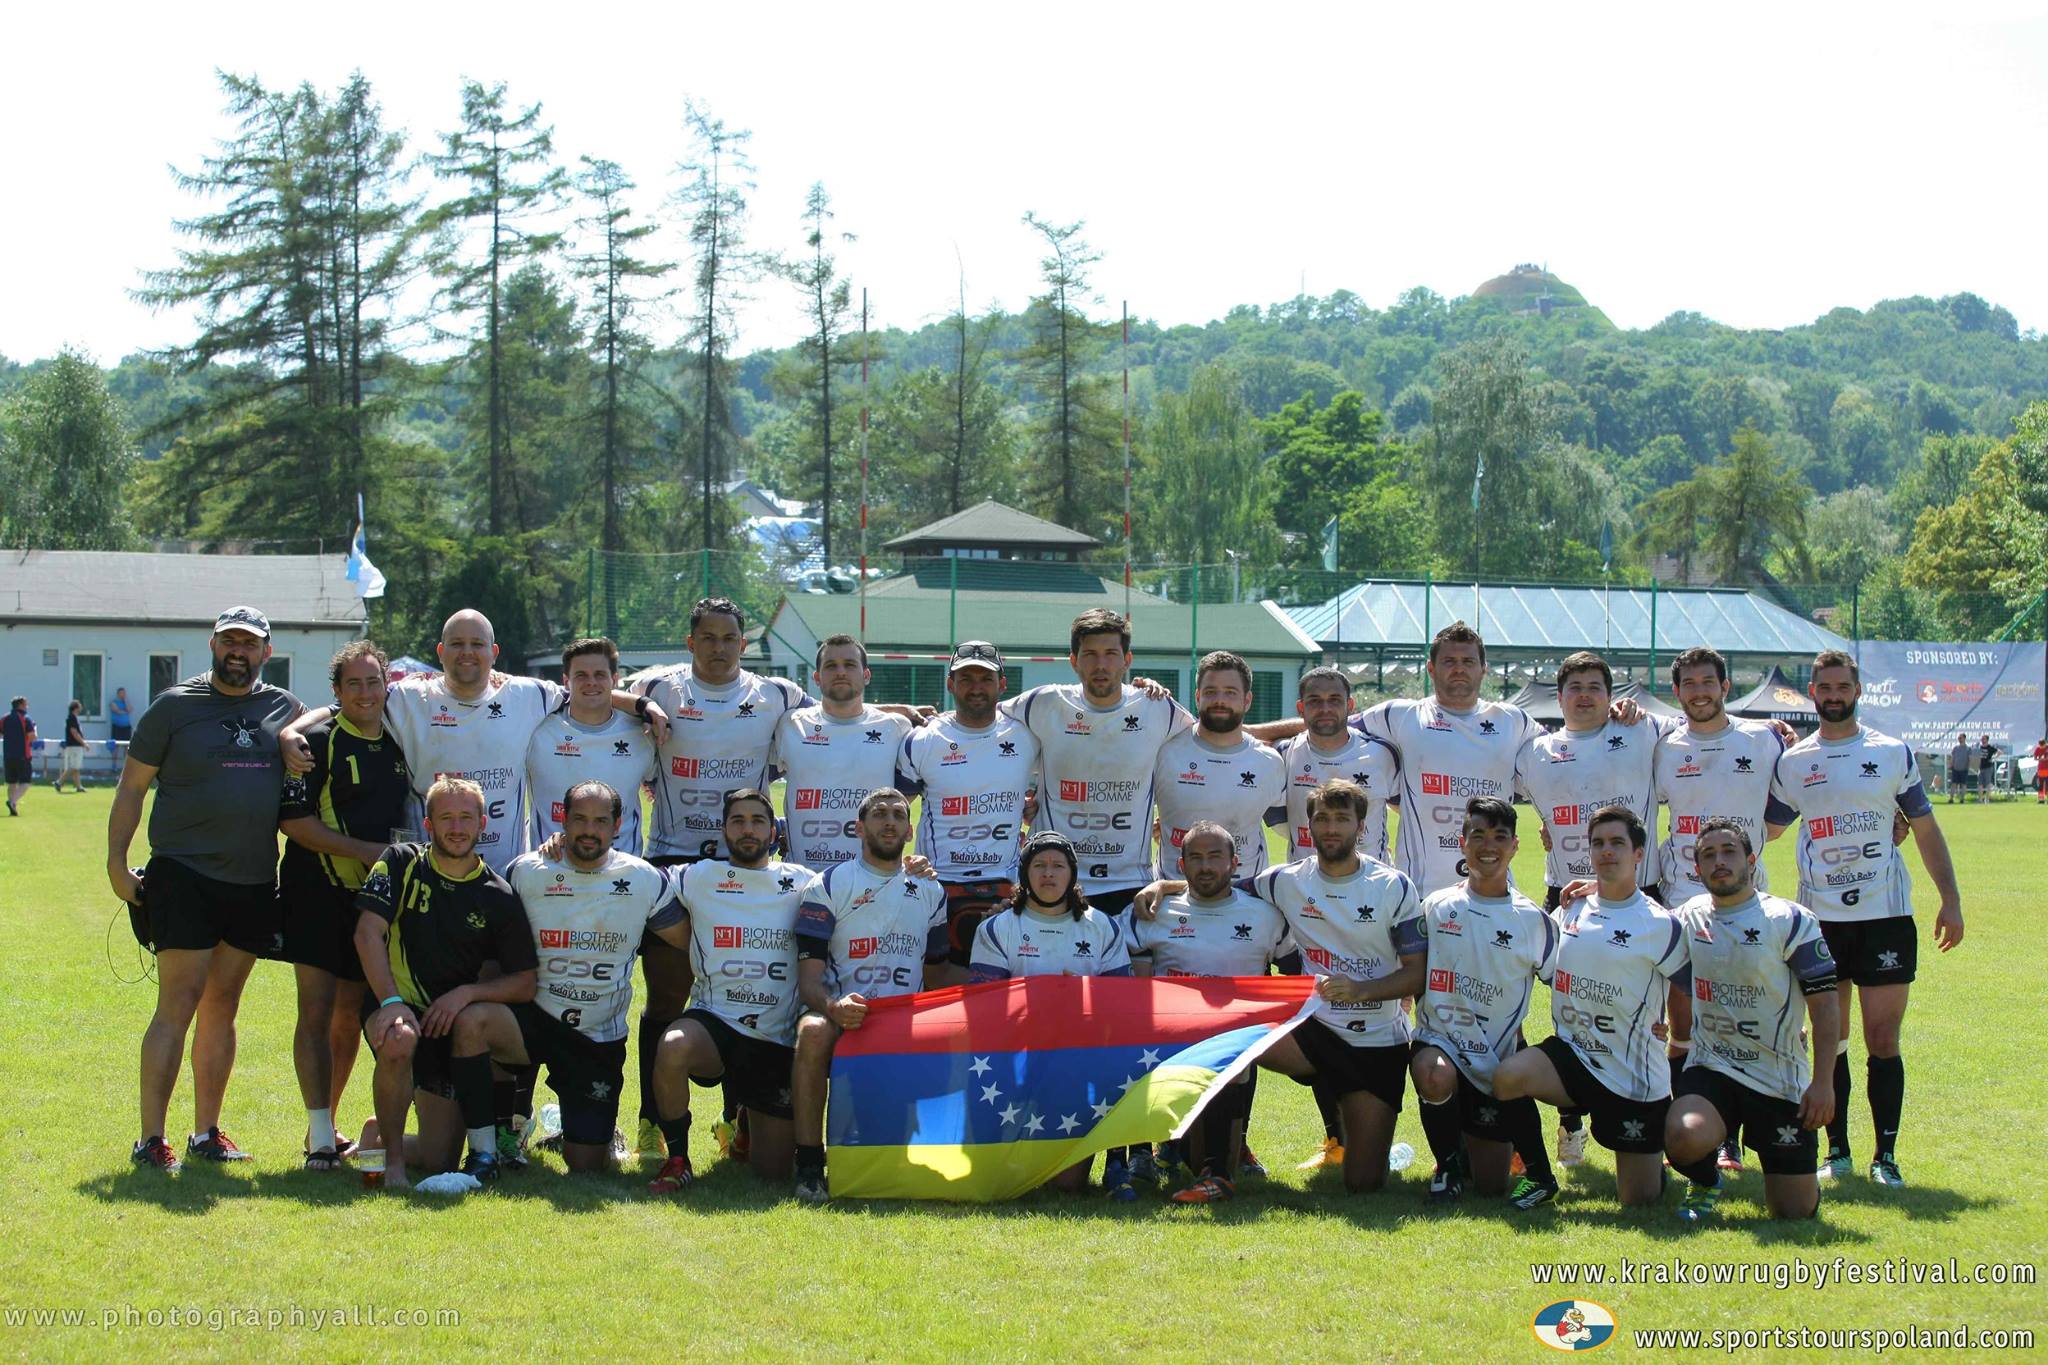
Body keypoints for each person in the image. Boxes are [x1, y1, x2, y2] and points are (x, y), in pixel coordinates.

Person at [1138, 778, 1425, 1195]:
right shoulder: (1286, 880)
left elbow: (1417, 973)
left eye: (1342, 819)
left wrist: (1361, 990)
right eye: (1321, 819)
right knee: (1230, 1035)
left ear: (1361, 827)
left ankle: (1373, 1144)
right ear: (1306, 827)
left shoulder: (1393, 886)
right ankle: (1217, 1170)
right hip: (1310, 1029)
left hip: (1377, 1041)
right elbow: (1216, 883)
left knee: (1364, 1183)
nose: (1330, 829)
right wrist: (1163, 885)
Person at [109, 607, 303, 1172]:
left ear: (266, 652)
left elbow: (324, 712)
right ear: (213, 645)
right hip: (183, 876)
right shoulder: (173, 707)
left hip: (251, 882)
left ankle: (206, 1132)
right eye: (229, 641)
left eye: (249, 643)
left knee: (223, 1008)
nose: (237, 651)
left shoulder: (282, 708)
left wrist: (293, 732)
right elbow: (130, 789)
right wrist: (116, 866)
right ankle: (150, 1138)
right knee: (179, 1003)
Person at [1766, 649, 1962, 1187]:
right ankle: (1838, 1151)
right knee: (1832, 1037)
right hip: (1821, 920)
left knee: (1882, 1037)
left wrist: (1951, 898)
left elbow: (1923, 827)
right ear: (1812, 691)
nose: (1833, 695)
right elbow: (1767, 829)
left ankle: (1886, 1156)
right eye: (1824, 687)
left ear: (1857, 690)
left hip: (1885, 915)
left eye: (1842, 686)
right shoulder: (1793, 762)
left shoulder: (1891, 751)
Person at [627, 597, 808, 1156]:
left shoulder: (776, 694)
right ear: (690, 642)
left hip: (747, 861)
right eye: (707, 637)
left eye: (728, 638)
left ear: (743, 644)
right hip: (674, 859)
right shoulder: (658, 687)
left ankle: (737, 1122)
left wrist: (900, 710)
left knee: (743, 986)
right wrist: (633, 703)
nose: (718, 647)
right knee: (665, 996)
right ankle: (653, 1126)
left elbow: (837, 713)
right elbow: (586, 691)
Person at [447, 781, 685, 1180]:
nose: (588, 831)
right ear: (562, 820)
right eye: (579, 819)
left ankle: (581, 1129)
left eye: (599, 821)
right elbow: (487, 940)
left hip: (596, 1037)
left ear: (618, 826)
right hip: (533, 1019)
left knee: (586, 1166)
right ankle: (487, 1151)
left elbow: (688, 940)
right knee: (473, 1023)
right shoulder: (526, 871)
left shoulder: (643, 879)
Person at [1494, 807, 1690, 1208]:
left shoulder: (1659, 923)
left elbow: (1687, 986)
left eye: (1618, 843)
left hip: (1631, 1075)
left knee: (1639, 1202)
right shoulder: (1570, 908)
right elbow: (1530, 958)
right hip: (1575, 1056)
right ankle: (1540, 1178)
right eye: (1598, 843)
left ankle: (1657, 1169)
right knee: (1508, 1077)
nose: (1607, 852)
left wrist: (1675, 1032)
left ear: (1638, 853)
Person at [1652, 644, 1797, 1175]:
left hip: (1745, 904)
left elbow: (1784, 809)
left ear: (1725, 686)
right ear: (1677, 692)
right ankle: (1695, 1123)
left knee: (1742, 1009)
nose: (1699, 692)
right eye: (1689, 684)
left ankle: (1734, 1137)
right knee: (1684, 1015)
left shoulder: (1763, 740)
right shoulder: (1664, 747)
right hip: (1681, 901)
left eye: (1707, 682)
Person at [351, 777, 538, 1189]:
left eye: (466, 817)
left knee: (440, 1158)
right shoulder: (401, 861)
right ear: (428, 823)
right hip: (394, 1006)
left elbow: (525, 983)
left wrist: (467, 994)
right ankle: (394, 1166)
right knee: (399, 1038)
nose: (457, 828)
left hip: (448, 1027)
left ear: (482, 823)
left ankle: (379, 1135)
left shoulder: (498, 894)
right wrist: (392, 1002)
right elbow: (367, 934)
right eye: (446, 817)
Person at [1664, 819, 1841, 1223]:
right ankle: (1705, 1179)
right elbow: (1640, 925)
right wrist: (1595, 892)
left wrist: (1824, 1081)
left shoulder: (1789, 920)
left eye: (1728, 851)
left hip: (1778, 1078)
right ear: (1697, 867)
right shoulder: (1688, 917)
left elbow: (1826, 1003)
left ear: (1750, 859)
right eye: (1707, 855)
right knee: (1682, 1134)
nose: (1719, 861)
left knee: (1792, 1212)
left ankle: (1795, 1175)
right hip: (1714, 1067)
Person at [277, 640, 409, 1169]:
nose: (364, 692)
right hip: (315, 893)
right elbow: (293, 823)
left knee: (350, 1012)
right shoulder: (315, 742)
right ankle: (318, 1135)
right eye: (352, 683)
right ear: (336, 692)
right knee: (315, 1009)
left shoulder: (400, 740)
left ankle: (326, 1128)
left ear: (386, 685)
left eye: (372, 682)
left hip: (372, 904)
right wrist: (368, 852)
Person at [647, 789, 815, 1192]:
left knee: (772, 1173)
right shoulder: (698, 875)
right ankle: (677, 1159)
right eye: (737, 820)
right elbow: (638, 883)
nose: (748, 829)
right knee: (672, 1045)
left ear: (773, 830)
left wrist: (913, 870)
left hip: (775, 1036)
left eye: (757, 820)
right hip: (714, 1022)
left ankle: (744, 1121)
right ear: (724, 830)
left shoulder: (804, 882)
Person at [789, 789, 948, 1203]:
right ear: (859, 827)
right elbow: (809, 981)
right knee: (812, 1031)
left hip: (901, 1022)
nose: (890, 822)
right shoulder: (827, 884)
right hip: (843, 1016)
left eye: (898, 815)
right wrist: (832, 1007)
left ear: (911, 831)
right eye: (879, 814)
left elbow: (936, 975)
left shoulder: (932, 890)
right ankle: (809, 1164)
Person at [1124, 822, 1295, 1204]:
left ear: (1235, 863)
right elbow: (1124, 982)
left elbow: (1298, 972)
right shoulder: (1154, 911)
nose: (1205, 867)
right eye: (1195, 858)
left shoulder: (1265, 915)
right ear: (1180, 866)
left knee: (1242, 1053)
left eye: (1215, 857)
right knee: (1194, 1154)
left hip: (1239, 1044)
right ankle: (1175, 1151)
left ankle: (1220, 1173)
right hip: (1172, 1044)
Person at [1407, 798, 1563, 1211]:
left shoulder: (1533, 920)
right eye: (1478, 835)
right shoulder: (1436, 908)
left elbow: (1566, 984)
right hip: (1441, 1044)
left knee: (1492, 1185)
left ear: (1514, 847)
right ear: (1462, 843)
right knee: (1432, 1074)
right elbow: (1411, 970)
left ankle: (1501, 1158)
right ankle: (1447, 1166)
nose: (1487, 846)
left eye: (1499, 837)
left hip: (1496, 1062)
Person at [1275, 665, 1399, 1173]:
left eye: (1335, 699)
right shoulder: (1283, 757)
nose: (1325, 708)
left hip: (1372, 908)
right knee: (1315, 1019)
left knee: (1373, 1016)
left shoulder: (1383, 753)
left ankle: (1374, 1129)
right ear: (1300, 709)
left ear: (1352, 705)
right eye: (1314, 700)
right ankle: (1335, 1137)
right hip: (1305, 907)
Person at [966, 830, 1134, 1195]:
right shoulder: (997, 928)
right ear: (1024, 874)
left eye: (1058, 865)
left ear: (1072, 874)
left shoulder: (1102, 926)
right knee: (1015, 1183)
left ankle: (1117, 1163)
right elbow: (983, 1006)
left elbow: (1122, 1004)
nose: (1048, 874)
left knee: (1068, 1186)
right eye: (1039, 865)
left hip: (1078, 1058)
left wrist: (1082, 1000)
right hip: (1019, 1057)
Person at [999, 609, 1195, 918]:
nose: (1101, 664)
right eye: (1090, 654)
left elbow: (1212, 739)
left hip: (1129, 882)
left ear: (1127, 660)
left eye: (1110, 654)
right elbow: (979, 729)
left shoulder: (1157, 708)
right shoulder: (1044, 703)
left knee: (1126, 967)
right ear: (1074, 661)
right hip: (1053, 880)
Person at [897, 641, 1038, 988]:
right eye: (966, 678)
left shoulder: (1027, 736)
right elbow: (896, 811)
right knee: (940, 989)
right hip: (938, 885)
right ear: (950, 684)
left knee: (1005, 988)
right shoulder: (922, 740)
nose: (976, 687)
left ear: (1002, 685)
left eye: (985, 679)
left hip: (1006, 887)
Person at [1514, 651, 1662, 908]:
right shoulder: (1533, 753)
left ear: (1610, 697)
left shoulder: (1641, 729)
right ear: (1560, 698)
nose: (1585, 695)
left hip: (1638, 895)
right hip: (1565, 897)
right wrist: (1548, 821)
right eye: (1575, 688)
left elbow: (1696, 732)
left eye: (1594, 687)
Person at [773, 635, 916, 869]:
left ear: (866, 675)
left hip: (871, 878)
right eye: (831, 666)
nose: (841, 672)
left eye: (850, 665)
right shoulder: (790, 725)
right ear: (817, 678)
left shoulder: (896, 728)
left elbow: (910, 790)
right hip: (803, 878)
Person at [1151, 650, 1287, 880]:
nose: (1220, 700)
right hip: (1173, 895)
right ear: (1197, 697)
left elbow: (1290, 824)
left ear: (1247, 700)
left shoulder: (1270, 762)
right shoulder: (1164, 752)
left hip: (1245, 895)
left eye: (1230, 693)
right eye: (1211, 692)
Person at [525, 637, 656, 856]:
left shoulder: (642, 734)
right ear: (566, 681)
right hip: (550, 872)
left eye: (600, 675)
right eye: (581, 675)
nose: (591, 682)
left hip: (621, 877)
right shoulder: (537, 731)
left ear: (614, 680)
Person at [2, 695, 36, 816]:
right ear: (21, 705)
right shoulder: (26, 718)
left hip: (8, 755)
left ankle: (13, 809)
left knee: (11, 783)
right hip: (22, 755)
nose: (27, 706)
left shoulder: (5, 718)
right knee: (25, 782)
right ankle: (12, 802)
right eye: (26, 704)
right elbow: (32, 737)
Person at [56, 700, 88, 792]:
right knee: (75, 766)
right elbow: (74, 733)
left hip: (72, 745)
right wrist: (84, 743)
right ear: (76, 708)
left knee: (76, 767)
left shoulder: (72, 718)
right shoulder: (72, 718)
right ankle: (59, 782)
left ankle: (79, 786)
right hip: (75, 745)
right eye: (79, 706)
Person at [1947, 735, 1971, 804]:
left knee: (1963, 784)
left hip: (1964, 769)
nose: (1960, 739)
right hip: (1955, 769)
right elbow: (1953, 757)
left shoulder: (1968, 748)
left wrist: (1968, 767)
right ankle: (1951, 799)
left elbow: (1970, 759)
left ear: (1964, 738)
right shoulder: (1955, 748)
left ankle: (1962, 799)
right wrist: (1951, 765)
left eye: (1961, 738)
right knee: (1953, 784)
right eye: (1959, 738)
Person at [1977, 734, 1998, 802]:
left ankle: (1987, 799)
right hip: (1981, 767)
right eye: (1982, 739)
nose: (1982, 740)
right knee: (1980, 784)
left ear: (1987, 740)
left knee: (1988, 783)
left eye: (1984, 739)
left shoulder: (1990, 748)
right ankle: (1980, 799)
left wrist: (1994, 758)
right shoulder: (1979, 747)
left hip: (1988, 767)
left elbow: (2000, 752)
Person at [2034, 737, 2047, 804]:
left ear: (2045, 744)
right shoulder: (2037, 749)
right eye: (2040, 746)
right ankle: (2041, 799)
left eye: (2043, 746)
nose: (2041, 747)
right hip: (2041, 770)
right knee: (2041, 786)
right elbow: (2035, 758)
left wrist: (2043, 758)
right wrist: (2042, 759)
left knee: (2047, 785)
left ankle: (2046, 799)